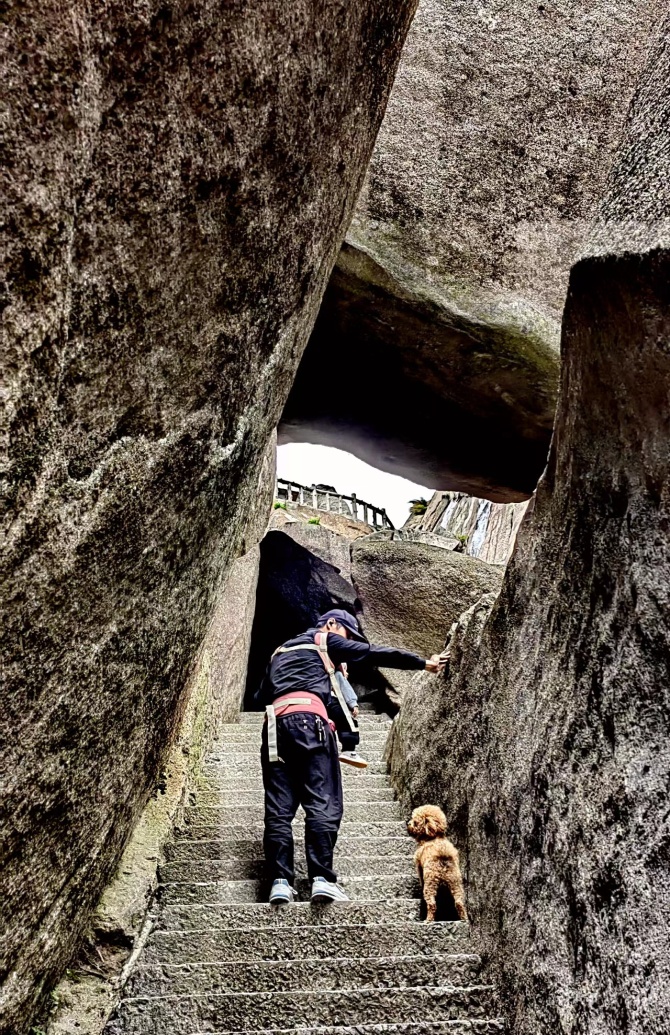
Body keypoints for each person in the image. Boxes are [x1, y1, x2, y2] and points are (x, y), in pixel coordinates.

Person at [253, 608, 445, 905]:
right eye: (347, 634)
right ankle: (321, 879)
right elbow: (374, 653)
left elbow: (261, 696)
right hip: (310, 725)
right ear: (331, 624)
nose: (348, 642)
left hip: (273, 729)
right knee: (323, 800)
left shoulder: (279, 652)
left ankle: (280, 883)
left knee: (279, 808)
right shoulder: (324, 639)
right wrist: (423, 663)